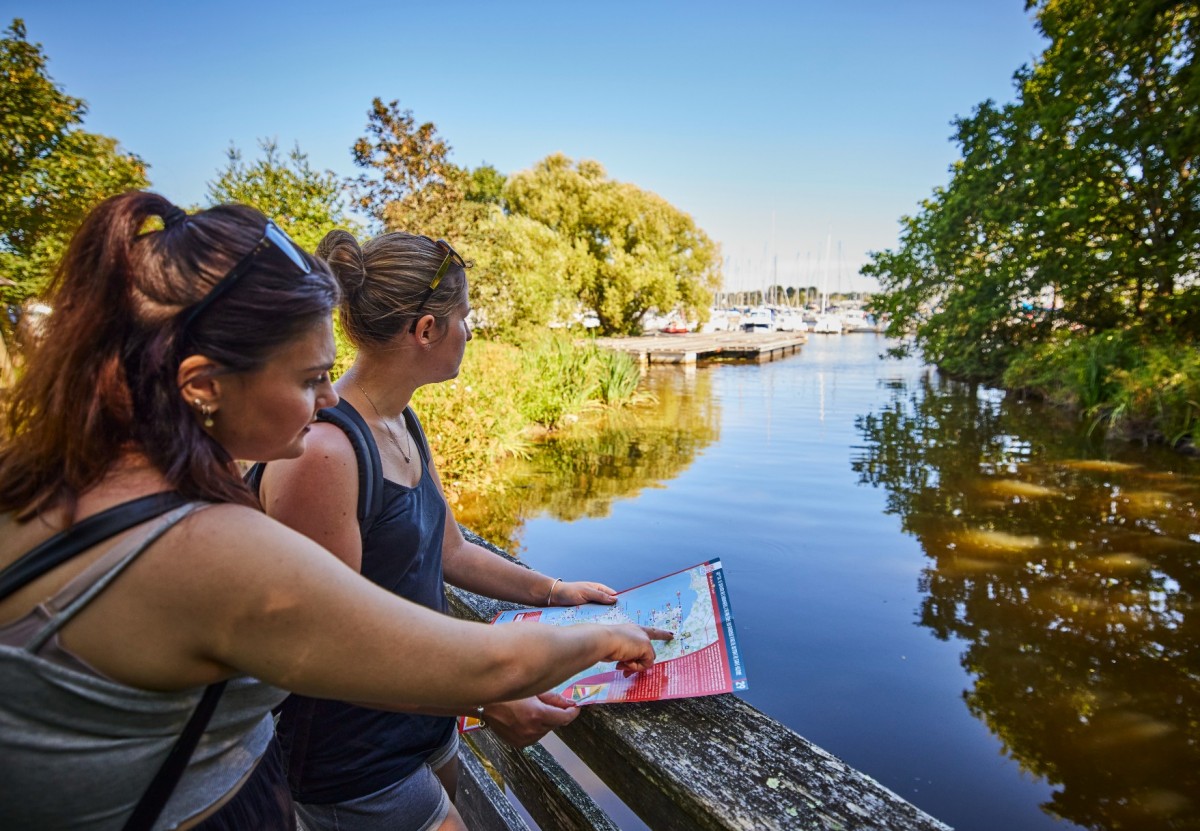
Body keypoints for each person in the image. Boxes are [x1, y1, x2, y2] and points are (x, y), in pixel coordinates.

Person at [0, 192, 670, 831]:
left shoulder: (61, 481)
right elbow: (462, 663)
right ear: (201, 385)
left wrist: (553, 596)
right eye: (307, 378)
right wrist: (598, 638)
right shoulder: (202, 539)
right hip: (337, 772)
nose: (326, 401)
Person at [254, 229, 621, 831]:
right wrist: (489, 697)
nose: (471, 330)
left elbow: (450, 549)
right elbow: (330, 643)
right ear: (425, 330)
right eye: (464, 316)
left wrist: (555, 592)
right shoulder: (325, 450)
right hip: (351, 758)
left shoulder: (401, 419)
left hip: (428, 717)